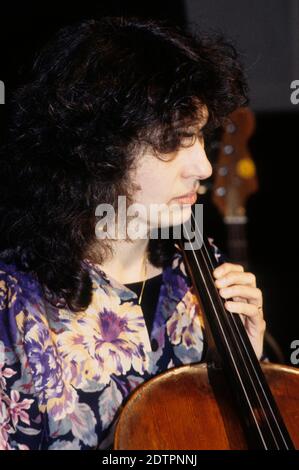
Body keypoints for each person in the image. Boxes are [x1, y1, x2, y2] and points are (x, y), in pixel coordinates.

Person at [0, 16, 265, 450]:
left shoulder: (204, 274)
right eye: (174, 141)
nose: (203, 166)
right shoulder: (12, 305)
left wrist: (242, 369)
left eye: (200, 137)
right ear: (100, 152)